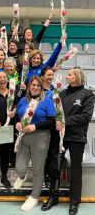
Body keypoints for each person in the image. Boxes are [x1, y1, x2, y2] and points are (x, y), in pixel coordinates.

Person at [41, 67, 95, 215]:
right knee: (54, 166)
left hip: (77, 137)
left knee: (76, 170)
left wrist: (63, 121)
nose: (66, 76)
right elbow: (54, 112)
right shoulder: (62, 93)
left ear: (77, 76)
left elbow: (85, 117)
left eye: (70, 75)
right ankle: (53, 197)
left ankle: (74, 202)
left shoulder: (88, 95)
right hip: (59, 135)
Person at [13, 75, 56, 211]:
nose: (36, 88)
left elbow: (52, 121)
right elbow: (15, 115)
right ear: (29, 86)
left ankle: (34, 197)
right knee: (19, 166)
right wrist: (17, 123)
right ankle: (22, 175)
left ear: (41, 87)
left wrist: (35, 126)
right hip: (23, 136)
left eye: (38, 86)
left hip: (40, 137)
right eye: (33, 85)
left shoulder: (47, 101)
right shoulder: (22, 100)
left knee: (37, 169)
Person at [0, 71, 16, 189]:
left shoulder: (12, 93)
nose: (2, 79)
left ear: (7, 79)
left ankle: (4, 177)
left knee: (6, 153)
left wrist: (14, 111)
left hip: (8, 128)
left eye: (4, 77)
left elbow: (16, 106)